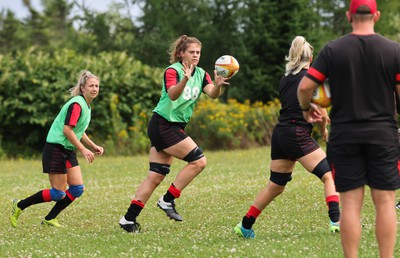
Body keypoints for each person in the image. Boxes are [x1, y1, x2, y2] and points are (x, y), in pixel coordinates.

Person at [297, 0, 400, 257]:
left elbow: (304, 87)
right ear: (376, 15)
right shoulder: (393, 51)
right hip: (383, 135)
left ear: (348, 16)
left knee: (351, 205)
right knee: (385, 202)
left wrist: (306, 107)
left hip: (345, 136)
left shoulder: (333, 50)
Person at [118, 35, 229, 233]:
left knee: (155, 176)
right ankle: (167, 200)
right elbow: (173, 94)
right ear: (181, 53)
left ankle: (128, 219)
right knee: (199, 161)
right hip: (163, 125)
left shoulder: (202, 74)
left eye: (198, 52)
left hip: (173, 127)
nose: (195, 56)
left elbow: (212, 93)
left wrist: (218, 84)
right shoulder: (172, 71)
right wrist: (185, 79)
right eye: (191, 52)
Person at [233, 36, 341, 239]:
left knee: (276, 185)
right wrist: (324, 129)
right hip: (297, 133)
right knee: (330, 174)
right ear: (310, 59)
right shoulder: (311, 78)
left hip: (281, 134)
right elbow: (321, 110)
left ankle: (245, 225)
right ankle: (336, 221)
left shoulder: (285, 79)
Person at [9, 70, 104, 228]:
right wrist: (83, 149)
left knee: (77, 188)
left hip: (66, 150)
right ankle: (19, 205)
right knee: (58, 193)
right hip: (55, 149)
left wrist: (93, 146)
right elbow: (67, 130)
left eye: (97, 86)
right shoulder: (76, 104)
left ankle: (49, 219)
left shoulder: (86, 106)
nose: (94, 88)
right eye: (91, 86)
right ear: (82, 88)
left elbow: (78, 130)